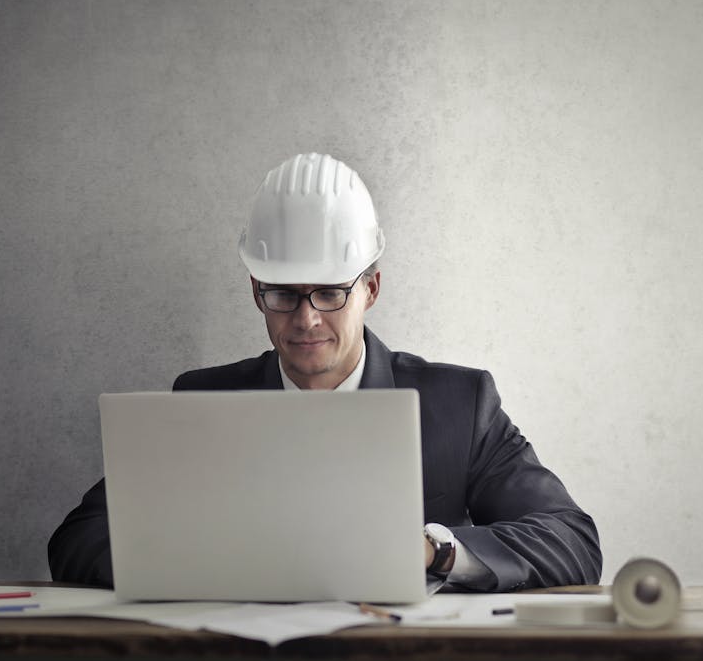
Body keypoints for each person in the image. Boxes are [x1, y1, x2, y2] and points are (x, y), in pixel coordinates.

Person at [49, 152, 602, 592]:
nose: (307, 318)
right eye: (284, 294)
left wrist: (433, 552)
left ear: (370, 289)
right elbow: (78, 540)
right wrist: (202, 559)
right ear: (256, 293)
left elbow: (570, 539)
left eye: (332, 292)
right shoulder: (201, 400)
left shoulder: (460, 403)